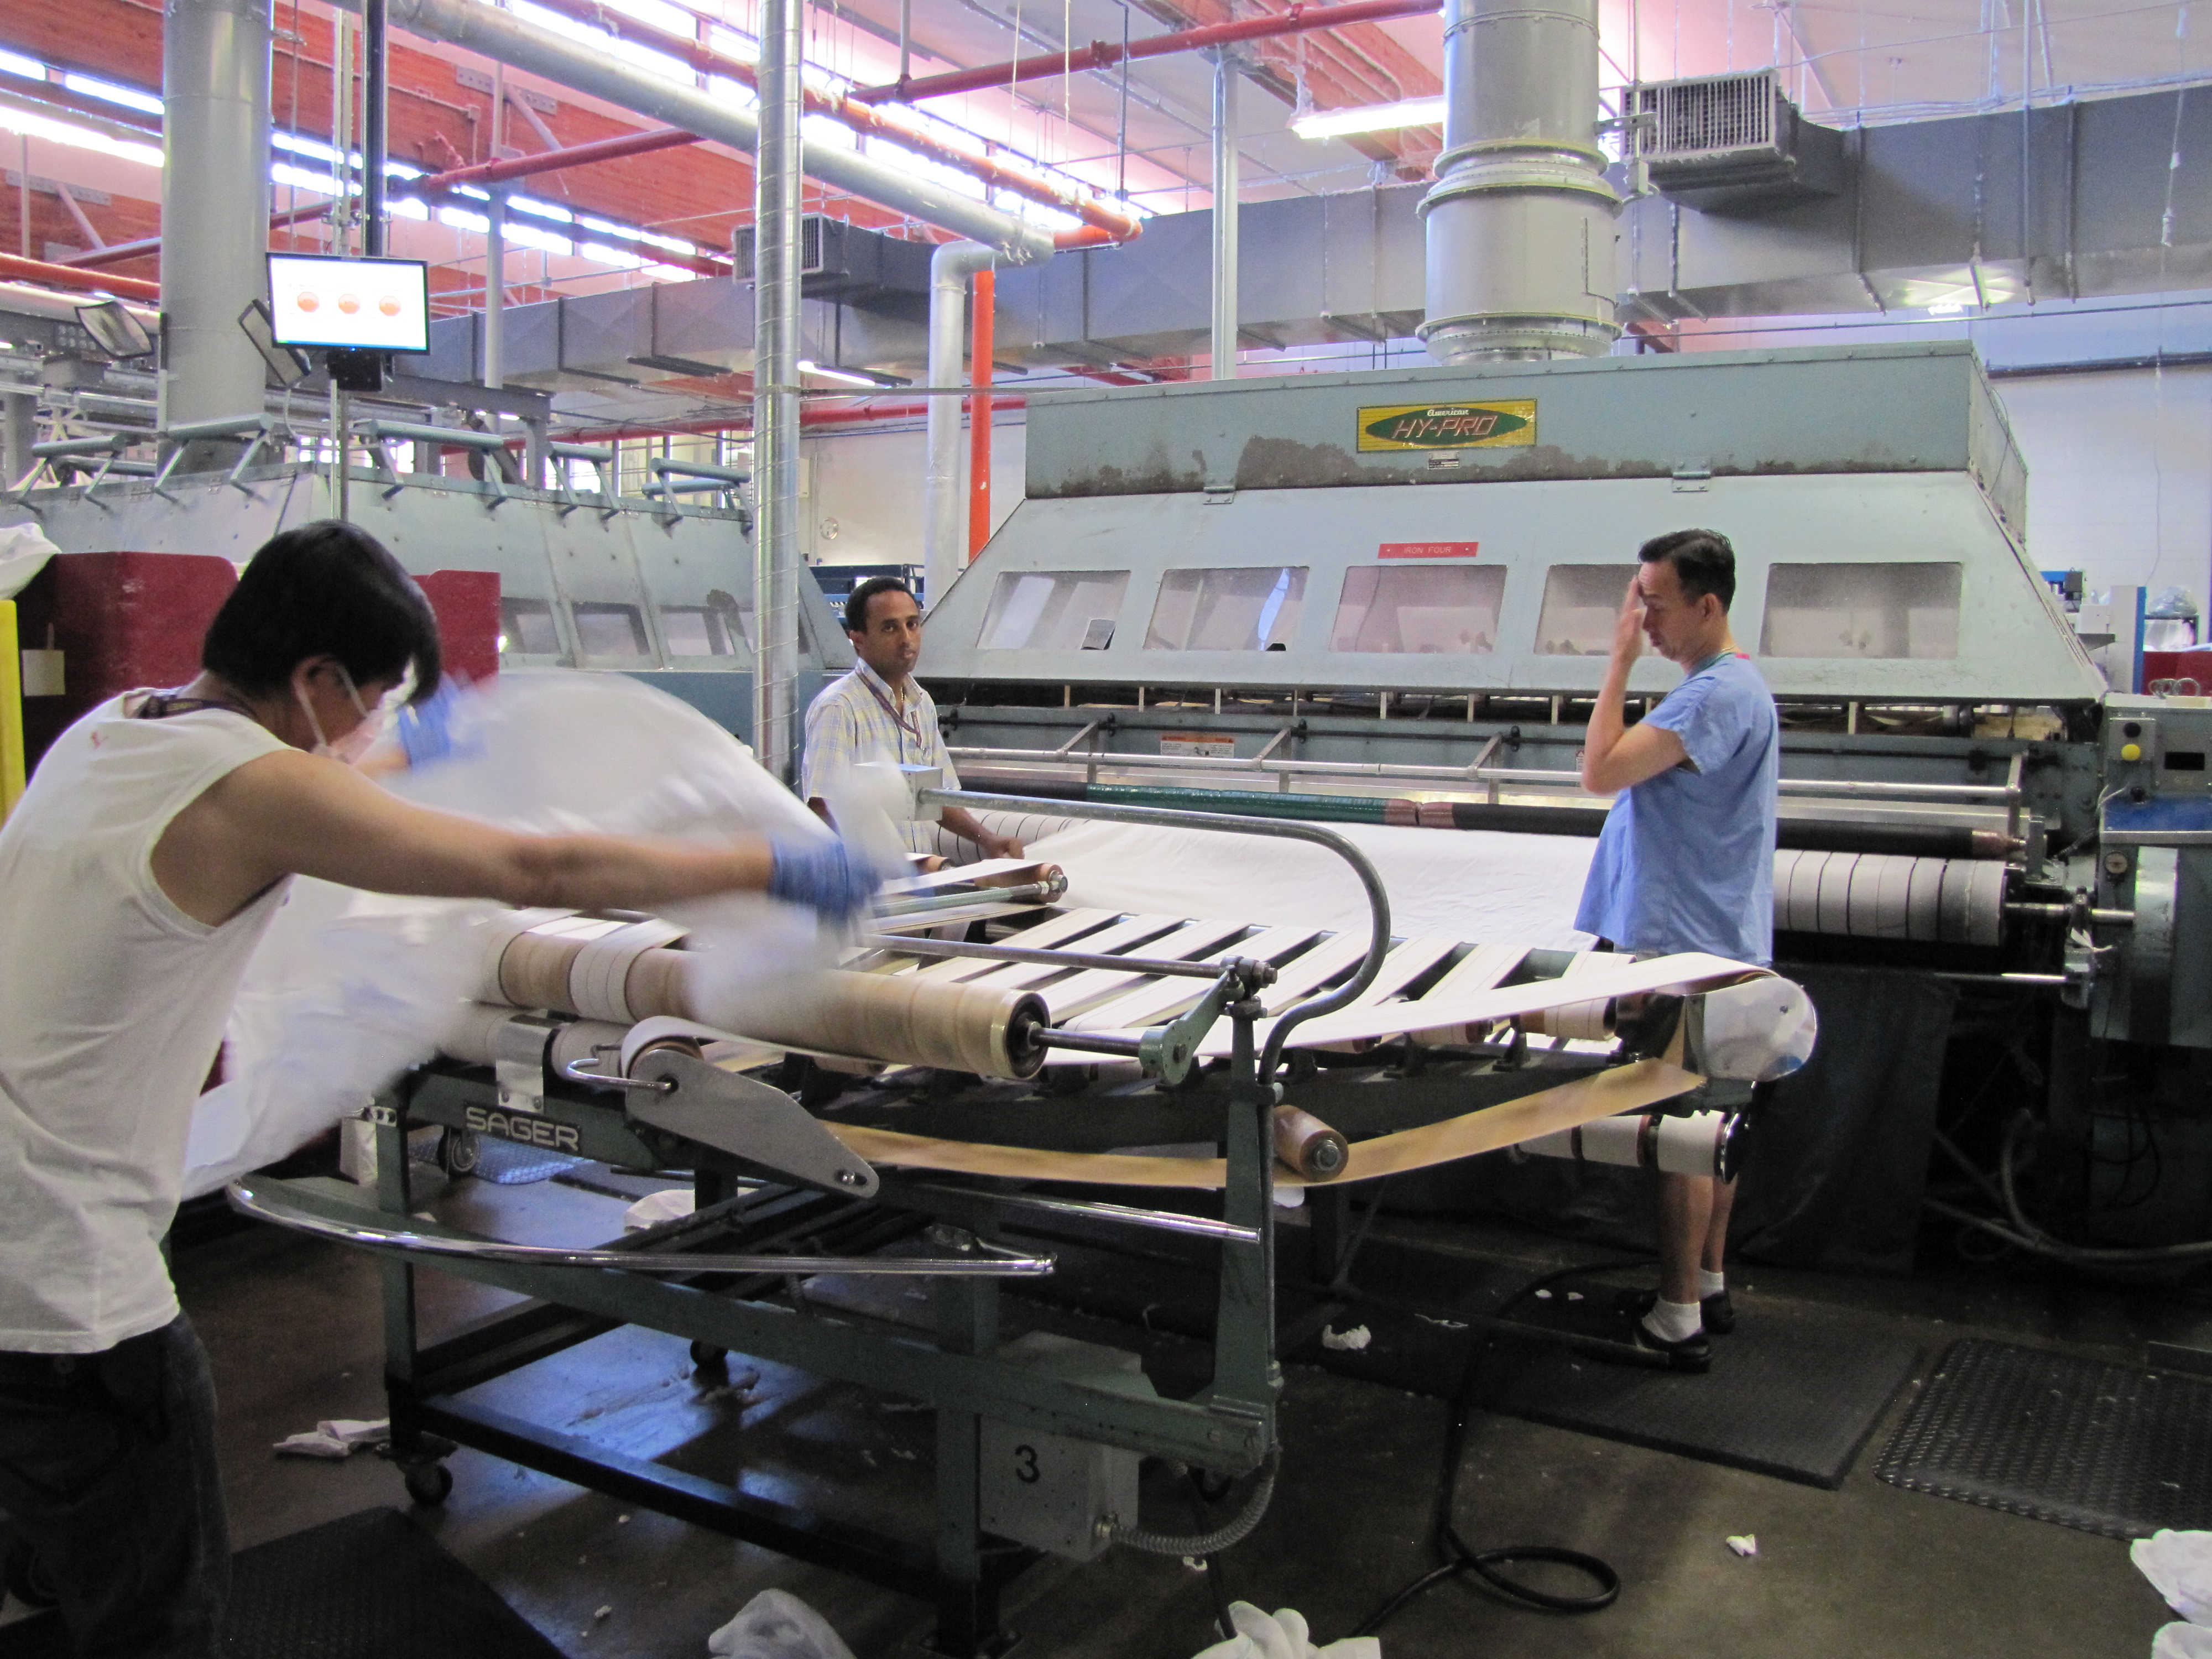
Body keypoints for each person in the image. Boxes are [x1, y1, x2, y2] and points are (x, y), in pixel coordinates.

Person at [0, 520, 878, 1658]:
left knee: (62, 1558)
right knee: (157, 1615)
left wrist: (448, 742)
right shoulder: (244, 791)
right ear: (313, 678)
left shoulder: (111, 735)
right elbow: (533, 869)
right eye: (367, 698)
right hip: (71, 1292)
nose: (370, 727)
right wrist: (766, 867)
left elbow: (320, 787)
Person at [1573, 529, 1779, 1374]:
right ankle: (1709, 1282)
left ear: (1708, 604)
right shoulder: (1731, 689)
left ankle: (1676, 1318)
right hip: (1716, 936)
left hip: (1685, 950)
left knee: (1682, 1134)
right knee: (1719, 1123)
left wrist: (1616, 666)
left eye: (1653, 606)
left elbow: (1602, 772)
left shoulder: (1709, 698)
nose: (1642, 621)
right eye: (1635, 605)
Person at [802, 576, 1023, 863]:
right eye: (890, 627)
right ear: (858, 640)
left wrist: (988, 840)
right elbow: (823, 807)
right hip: (871, 883)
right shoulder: (840, 708)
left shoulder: (921, 704)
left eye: (912, 624)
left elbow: (936, 798)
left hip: (917, 879)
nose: (906, 638)